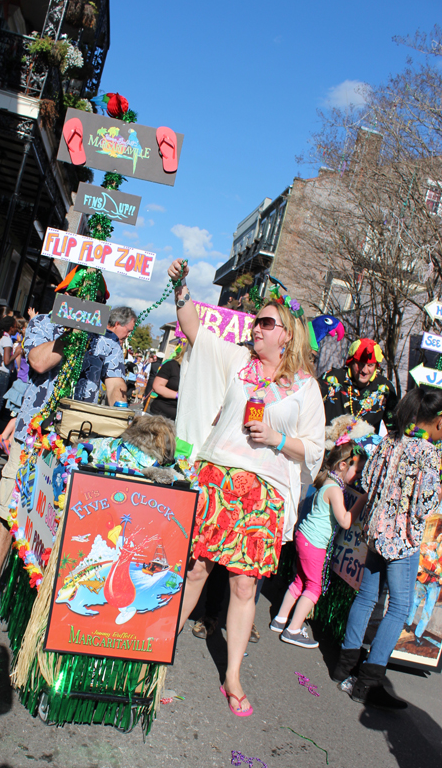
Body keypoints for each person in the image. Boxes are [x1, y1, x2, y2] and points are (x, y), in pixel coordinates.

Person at [171, 258, 325, 716]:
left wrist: (278, 438)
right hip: (218, 478)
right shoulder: (239, 360)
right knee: (196, 569)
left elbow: (314, 450)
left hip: (263, 493)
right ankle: (158, 647)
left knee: (243, 587)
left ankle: (233, 675)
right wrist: (181, 287)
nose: (256, 327)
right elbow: (194, 329)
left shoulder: (305, 388)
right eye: (256, 321)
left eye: (266, 322)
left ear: (287, 334)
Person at [0, 267, 135, 610]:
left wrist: (119, 400)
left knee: (58, 517)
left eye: (93, 300)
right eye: (79, 298)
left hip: (75, 444)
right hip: (33, 434)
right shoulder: (44, 323)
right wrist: (73, 333)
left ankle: (43, 589)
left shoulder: (108, 342)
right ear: (67, 298)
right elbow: (38, 362)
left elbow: (114, 388)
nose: (86, 304)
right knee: (10, 507)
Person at [332, 386, 442, 708]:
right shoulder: (430, 454)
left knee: (366, 598)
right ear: (437, 420)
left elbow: (367, 484)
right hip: (402, 539)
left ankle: (344, 666)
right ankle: (369, 681)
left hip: (375, 531)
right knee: (399, 607)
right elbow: (427, 505)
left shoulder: (389, 441)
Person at [270, 440, 367, 647]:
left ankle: (280, 619)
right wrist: (363, 500)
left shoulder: (328, 482)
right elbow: (345, 521)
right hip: (314, 543)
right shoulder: (335, 489)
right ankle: (293, 629)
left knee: (299, 581)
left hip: (304, 538)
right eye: (357, 471)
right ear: (343, 465)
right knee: (314, 587)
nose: (358, 477)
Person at [319, 338, 398, 431]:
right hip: (330, 443)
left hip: (366, 444)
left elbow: (394, 427)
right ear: (351, 362)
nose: (364, 371)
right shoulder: (330, 379)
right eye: (360, 364)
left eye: (370, 365)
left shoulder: (385, 388)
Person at [149, 349, 183, 421]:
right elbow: (157, 386)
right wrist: (179, 395)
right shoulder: (172, 365)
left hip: (182, 418)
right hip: (161, 415)